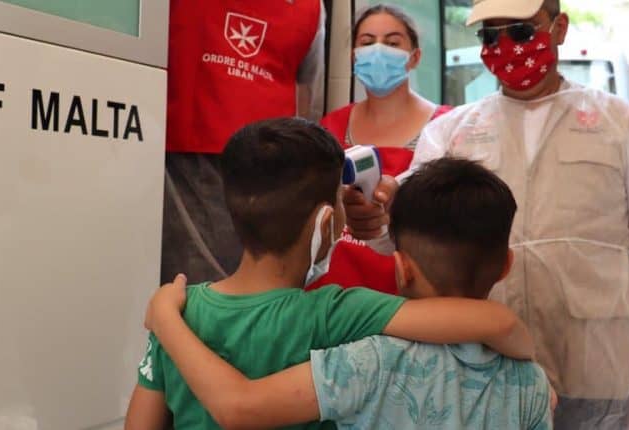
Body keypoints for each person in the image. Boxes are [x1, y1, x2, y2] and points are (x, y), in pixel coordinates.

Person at [343, 1, 629, 428]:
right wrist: (376, 218)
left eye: (522, 32)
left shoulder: (619, 123)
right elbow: (410, 235)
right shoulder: (452, 131)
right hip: (487, 371)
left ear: (559, 28)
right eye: (491, 35)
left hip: (597, 368)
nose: (506, 46)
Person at [124, 119, 536, 430]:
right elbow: (496, 322)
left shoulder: (180, 310)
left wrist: (166, 320)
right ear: (326, 224)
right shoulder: (336, 313)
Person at [161, 0, 327, 285]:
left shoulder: (311, 8)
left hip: (198, 153)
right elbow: (308, 96)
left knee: (193, 283)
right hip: (267, 163)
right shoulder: (311, 8)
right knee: (257, 278)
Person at [312, 4, 454, 295]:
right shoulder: (329, 127)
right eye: (367, 43)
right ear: (354, 56)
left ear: (415, 57)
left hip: (409, 293)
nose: (378, 51)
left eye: (392, 43)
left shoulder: (447, 127)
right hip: (332, 296)